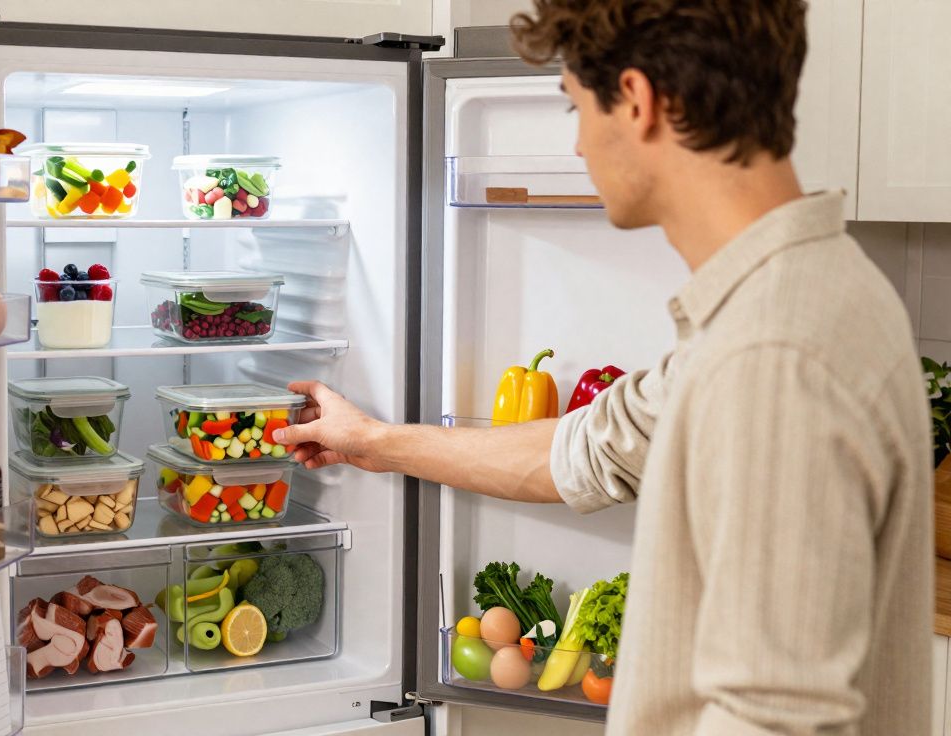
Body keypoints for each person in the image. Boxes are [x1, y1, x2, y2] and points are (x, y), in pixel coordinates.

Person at [273, 1, 933, 733]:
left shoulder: (774, 354)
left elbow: (773, 717)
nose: (581, 145)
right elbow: (585, 450)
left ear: (640, 102)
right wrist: (372, 441)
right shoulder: (790, 301)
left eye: (576, 108)